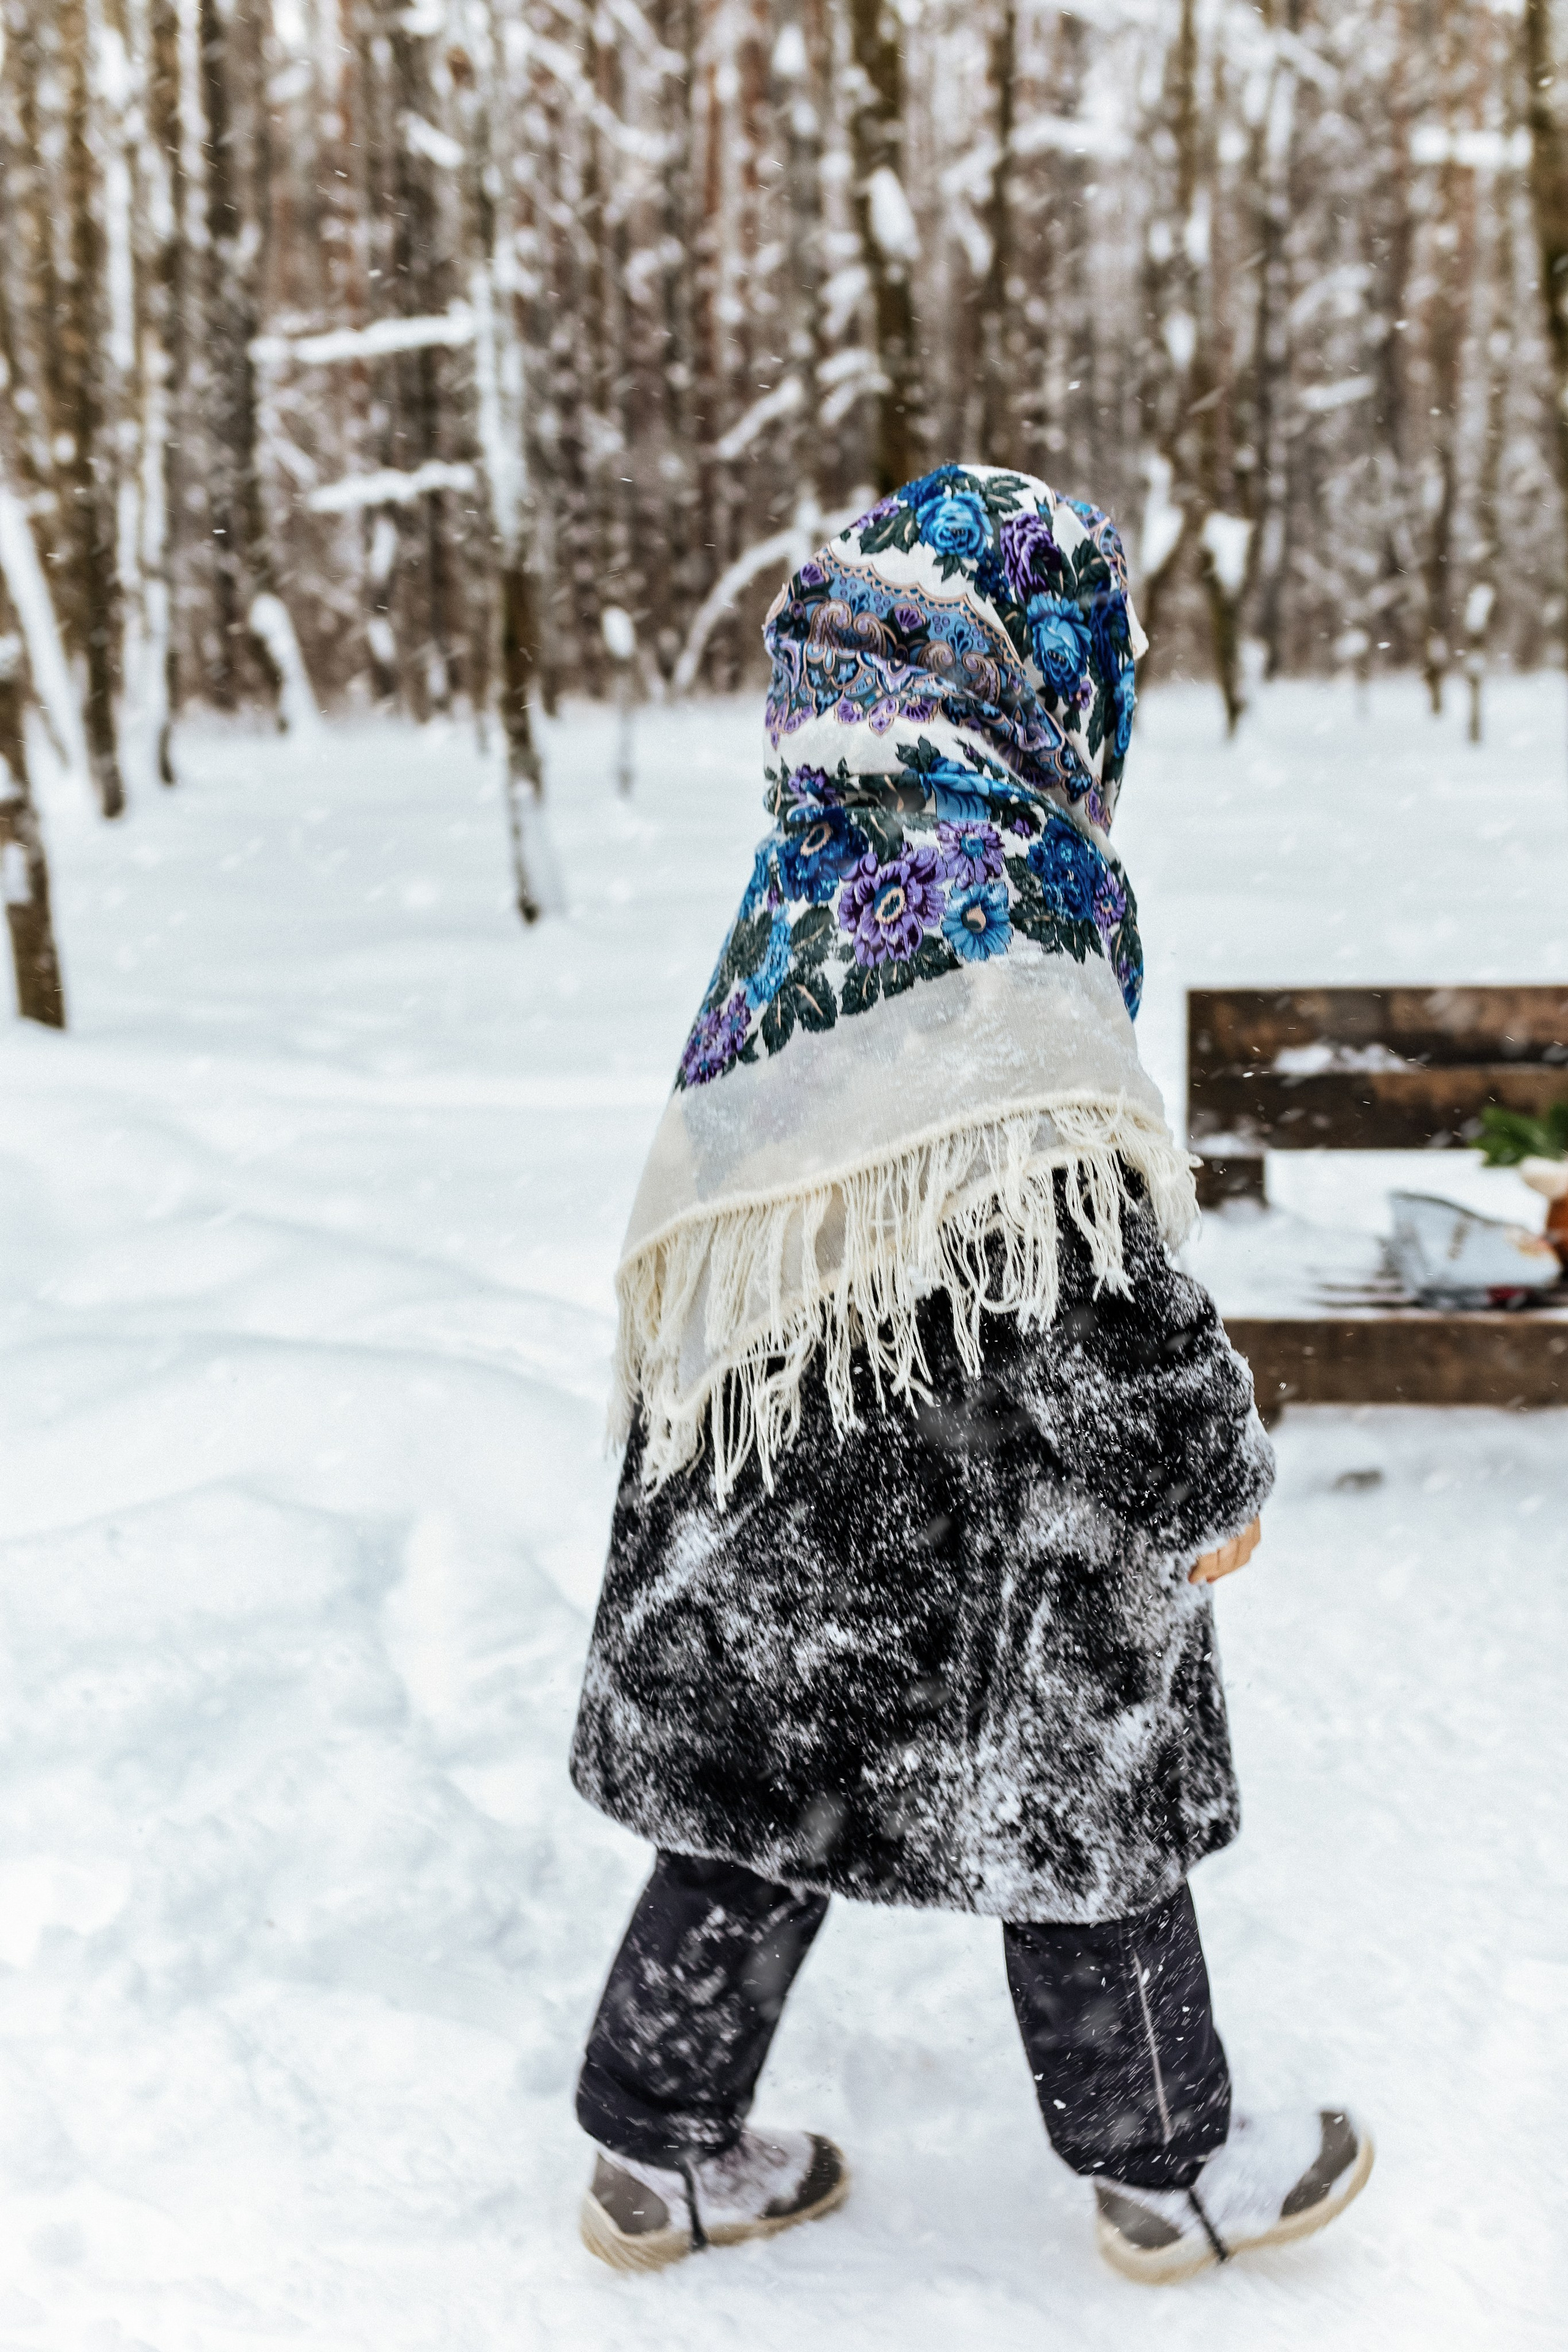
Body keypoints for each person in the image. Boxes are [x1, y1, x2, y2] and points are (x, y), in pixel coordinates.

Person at [568, 465, 1373, 2283]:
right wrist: (1193, 1467)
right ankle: (1175, 2178)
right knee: (1082, 1800)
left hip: (769, 1458)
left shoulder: (821, 867)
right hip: (982, 1478)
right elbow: (1078, 1238)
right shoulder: (1004, 889)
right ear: (1034, 667)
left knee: (763, 1800)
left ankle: (656, 2152)